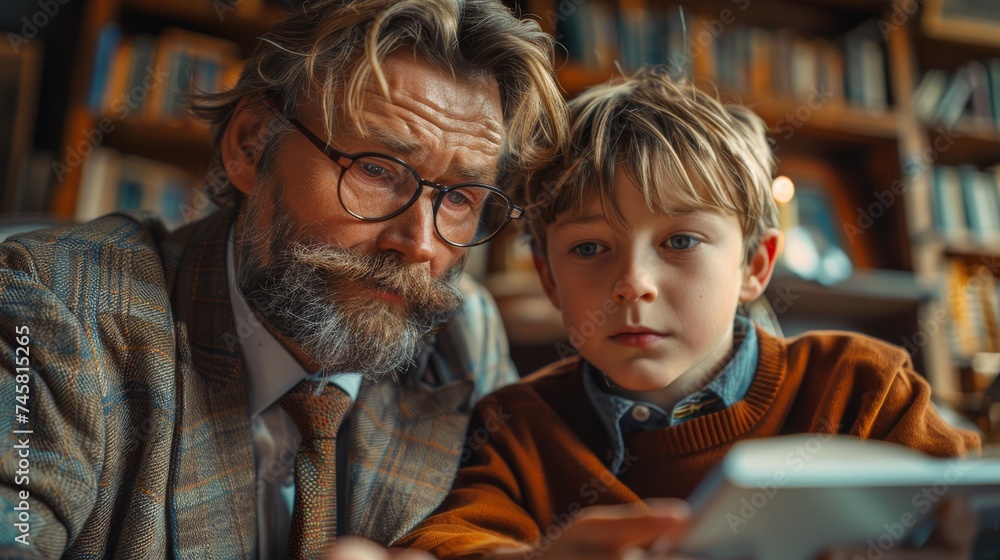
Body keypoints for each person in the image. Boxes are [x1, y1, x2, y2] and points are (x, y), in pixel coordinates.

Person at [0, 0, 567, 558]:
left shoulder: (463, 332)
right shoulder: (51, 306)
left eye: (460, 197)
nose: (419, 244)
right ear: (251, 144)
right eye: (375, 169)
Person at [391, 67, 982, 560]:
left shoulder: (864, 387)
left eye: (680, 242)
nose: (633, 285)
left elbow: (973, 514)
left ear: (754, 265)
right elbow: (444, 543)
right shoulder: (518, 425)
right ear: (548, 278)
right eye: (590, 249)